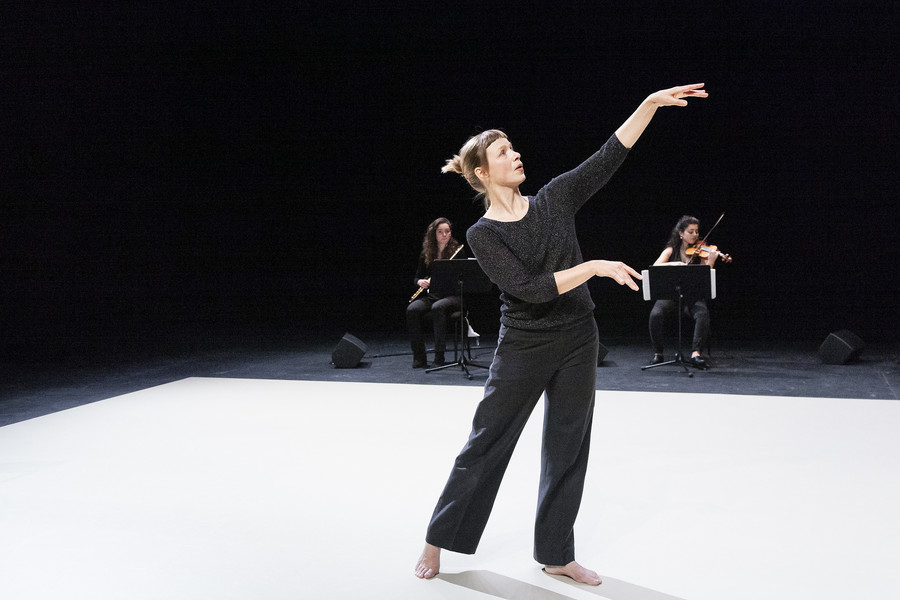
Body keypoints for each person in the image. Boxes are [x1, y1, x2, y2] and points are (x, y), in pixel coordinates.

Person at [414, 83, 708, 585]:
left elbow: (608, 156)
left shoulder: (553, 198)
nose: (516, 154)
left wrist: (648, 106)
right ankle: (436, 539)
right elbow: (530, 289)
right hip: (524, 344)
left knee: (568, 446)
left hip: (577, 337)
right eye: (503, 152)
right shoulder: (484, 234)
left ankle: (556, 553)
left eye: (513, 147)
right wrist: (593, 266)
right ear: (482, 172)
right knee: (487, 441)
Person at [648, 215, 721, 369]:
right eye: (691, 231)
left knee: (702, 313)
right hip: (671, 295)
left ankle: (696, 353)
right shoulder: (671, 250)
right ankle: (658, 353)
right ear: (681, 233)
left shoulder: (702, 251)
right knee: (655, 314)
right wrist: (674, 264)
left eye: (697, 231)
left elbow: (704, 277)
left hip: (692, 296)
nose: (695, 235)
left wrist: (711, 262)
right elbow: (655, 266)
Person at [406, 217, 467, 368]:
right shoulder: (427, 253)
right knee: (412, 309)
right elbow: (417, 277)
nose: (444, 235)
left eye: (447, 231)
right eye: (440, 232)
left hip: (453, 297)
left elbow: (465, 277)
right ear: (434, 234)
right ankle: (419, 357)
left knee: (437, 307)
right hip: (433, 296)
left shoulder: (458, 251)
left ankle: (439, 357)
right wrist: (420, 282)